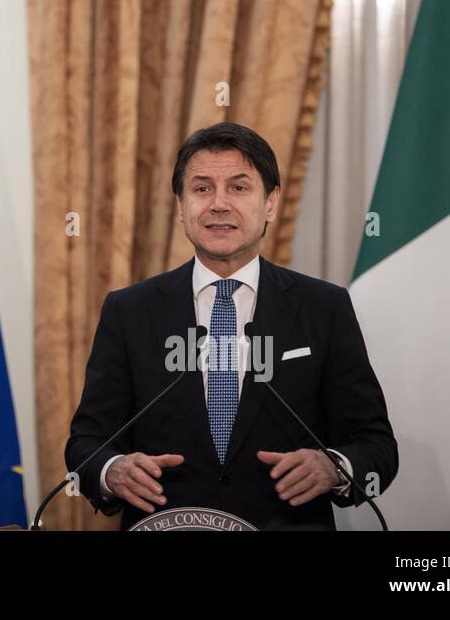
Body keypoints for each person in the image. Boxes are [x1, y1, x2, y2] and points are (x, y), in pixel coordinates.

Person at [65, 122, 397, 529]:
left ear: (270, 203)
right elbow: (85, 443)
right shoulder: (129, 310)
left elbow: (377, 445)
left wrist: (335, 466)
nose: (219, 204)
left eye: (239, 188)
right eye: (202, 188)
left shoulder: (323, 307)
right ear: (180, 207)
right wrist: (110, 469)